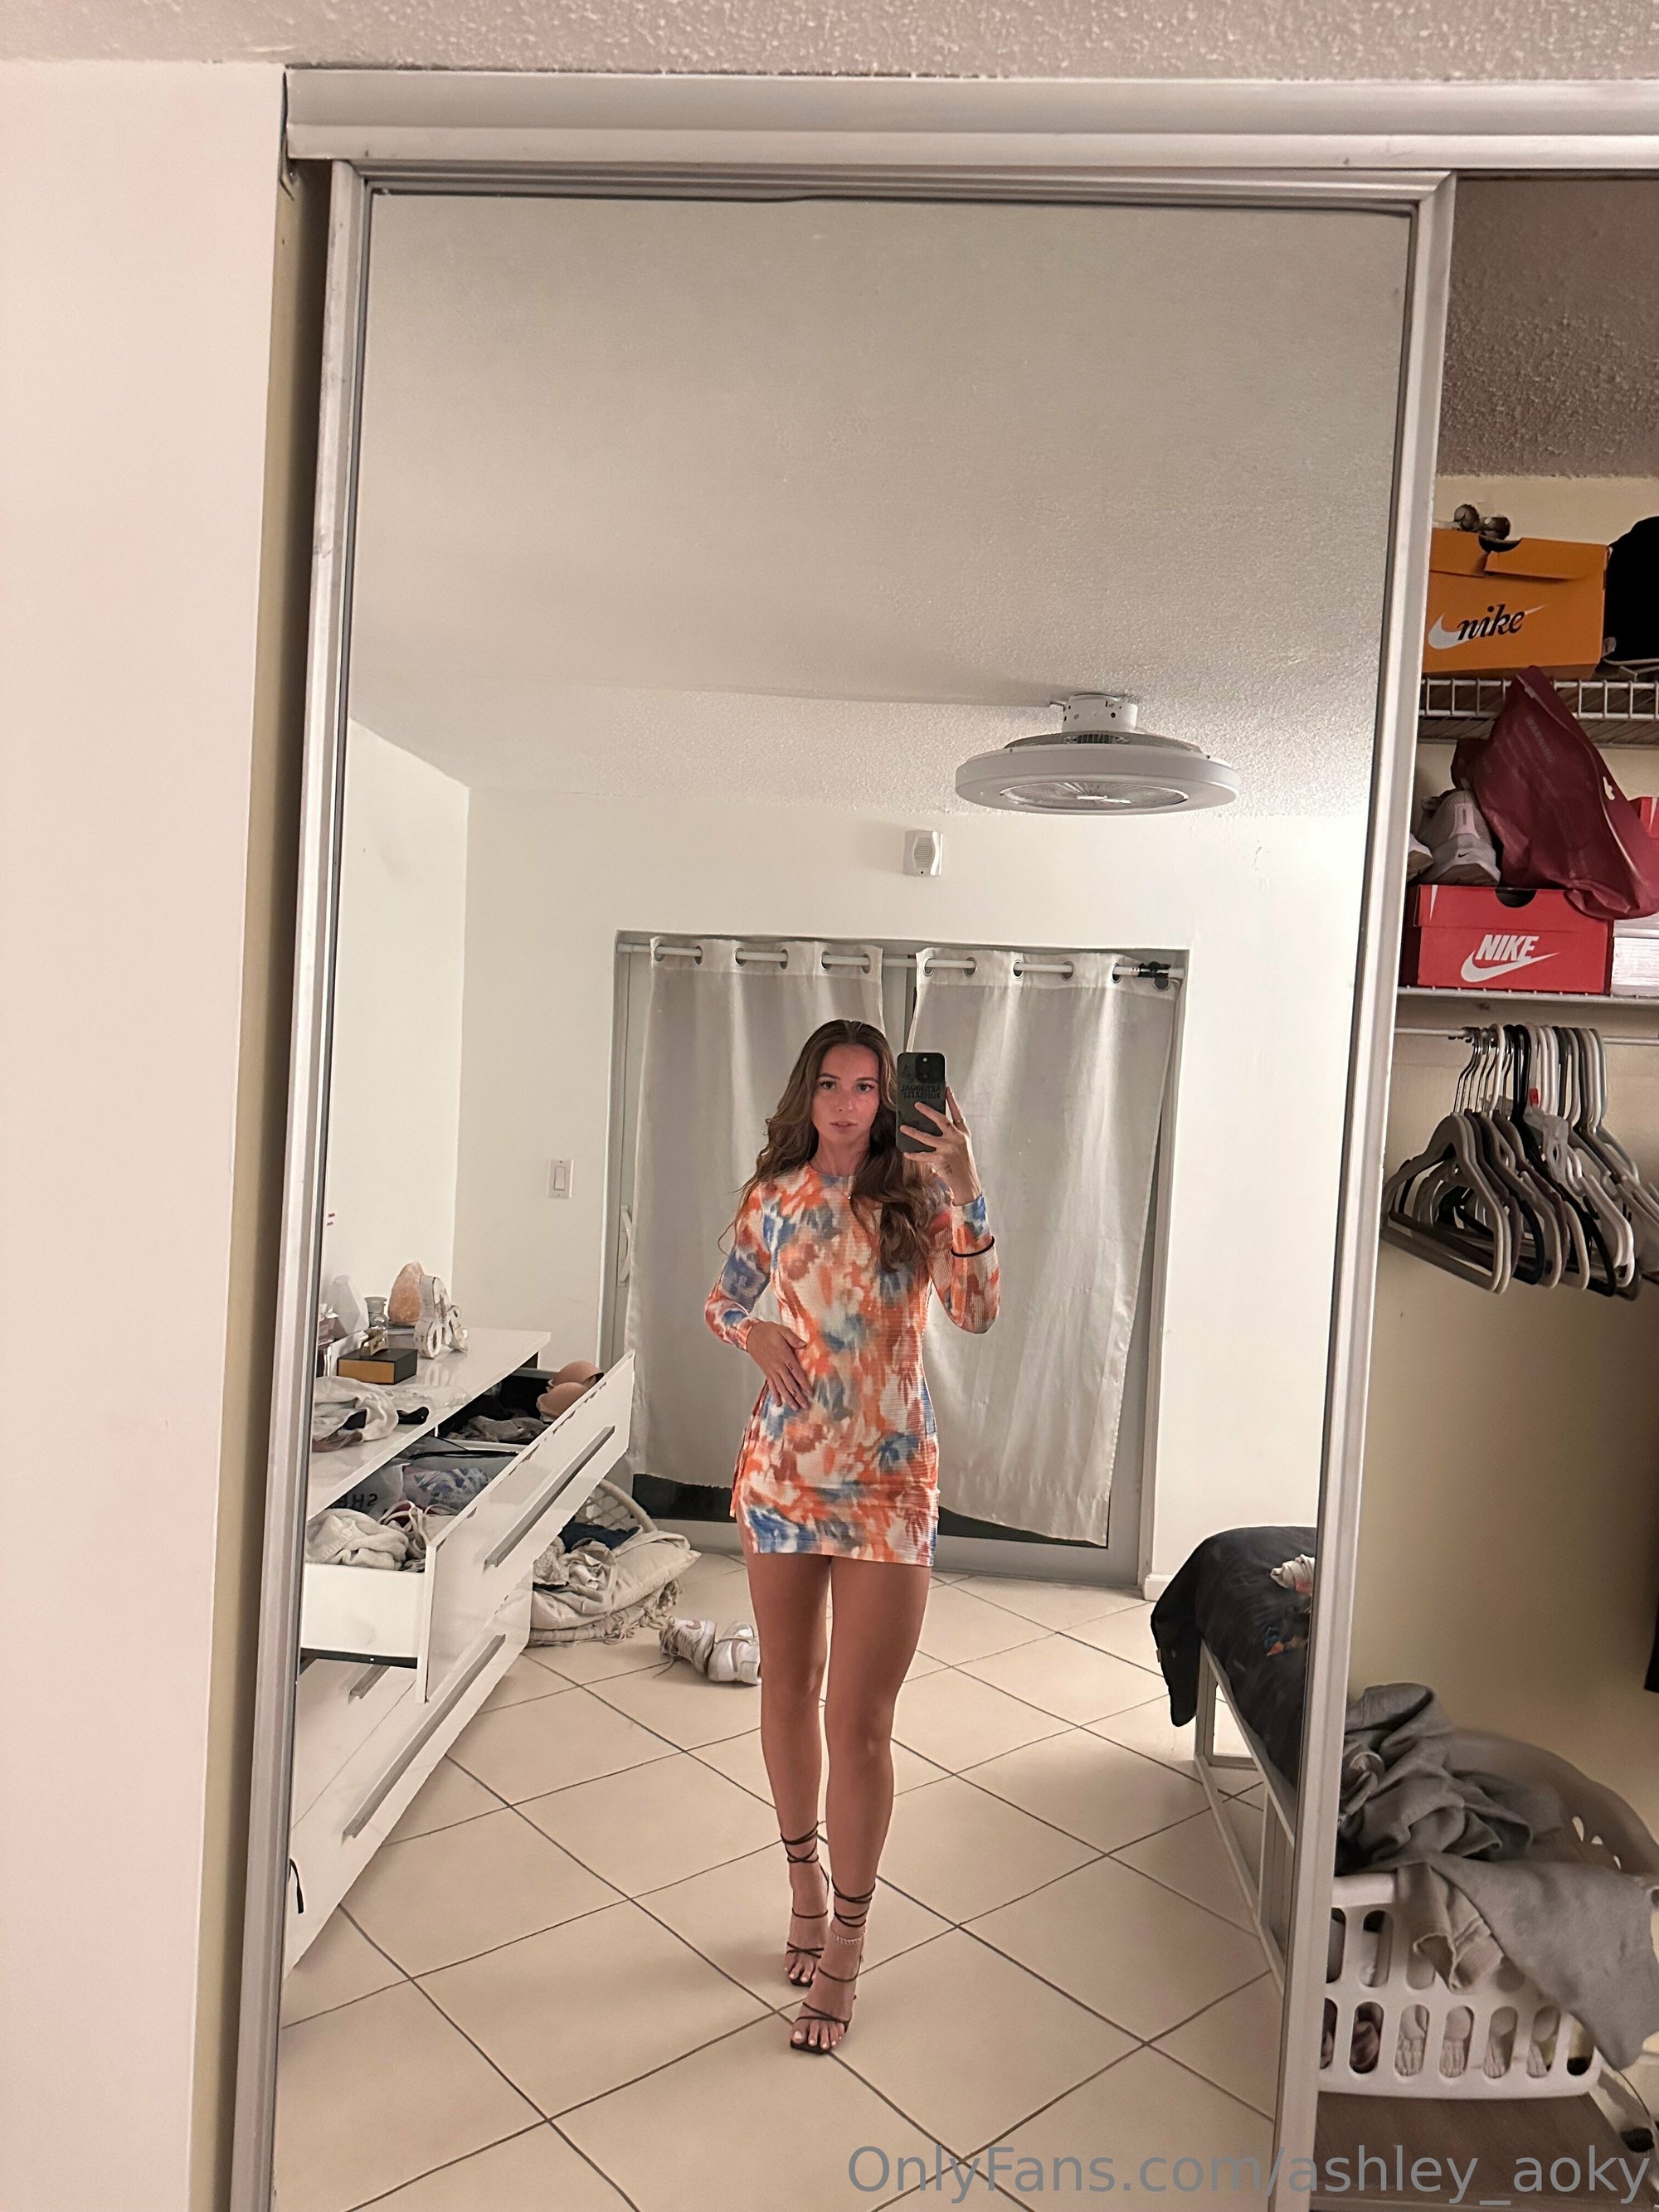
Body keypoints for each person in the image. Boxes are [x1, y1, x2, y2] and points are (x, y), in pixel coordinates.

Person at [704, 1018, 999, 2052]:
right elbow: (722, 1299)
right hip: (782, 1474)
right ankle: (801, 1881)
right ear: (807, 1093)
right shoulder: (772, 1196)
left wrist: (964, 1183)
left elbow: (976, 1311)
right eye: (828, 1084)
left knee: (860, 1722)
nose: (844, 1102)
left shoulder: (919, 1194)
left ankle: (848, 1941)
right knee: (786, 1689)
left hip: (887, 1483)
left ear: (888, 1101)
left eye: (866, 1086)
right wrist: (751, 1331)